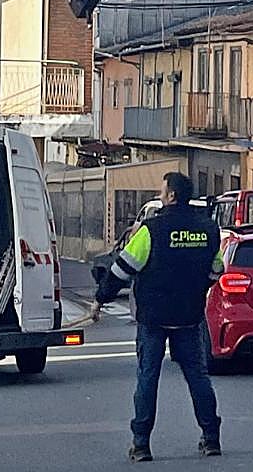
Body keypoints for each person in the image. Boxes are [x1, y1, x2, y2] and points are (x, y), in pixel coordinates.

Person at [96, 171, 224, 462]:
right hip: (189, 317)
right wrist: (198, 287)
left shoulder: (152, 229)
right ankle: (211, 437)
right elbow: (217, 270)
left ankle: (141, 444)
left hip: (153, 317)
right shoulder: (208, 229)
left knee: (147, 377)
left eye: (162, 190)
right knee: (198, 377)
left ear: (172, 196)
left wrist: (102, 296)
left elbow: (123, 267)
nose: (161, 194)